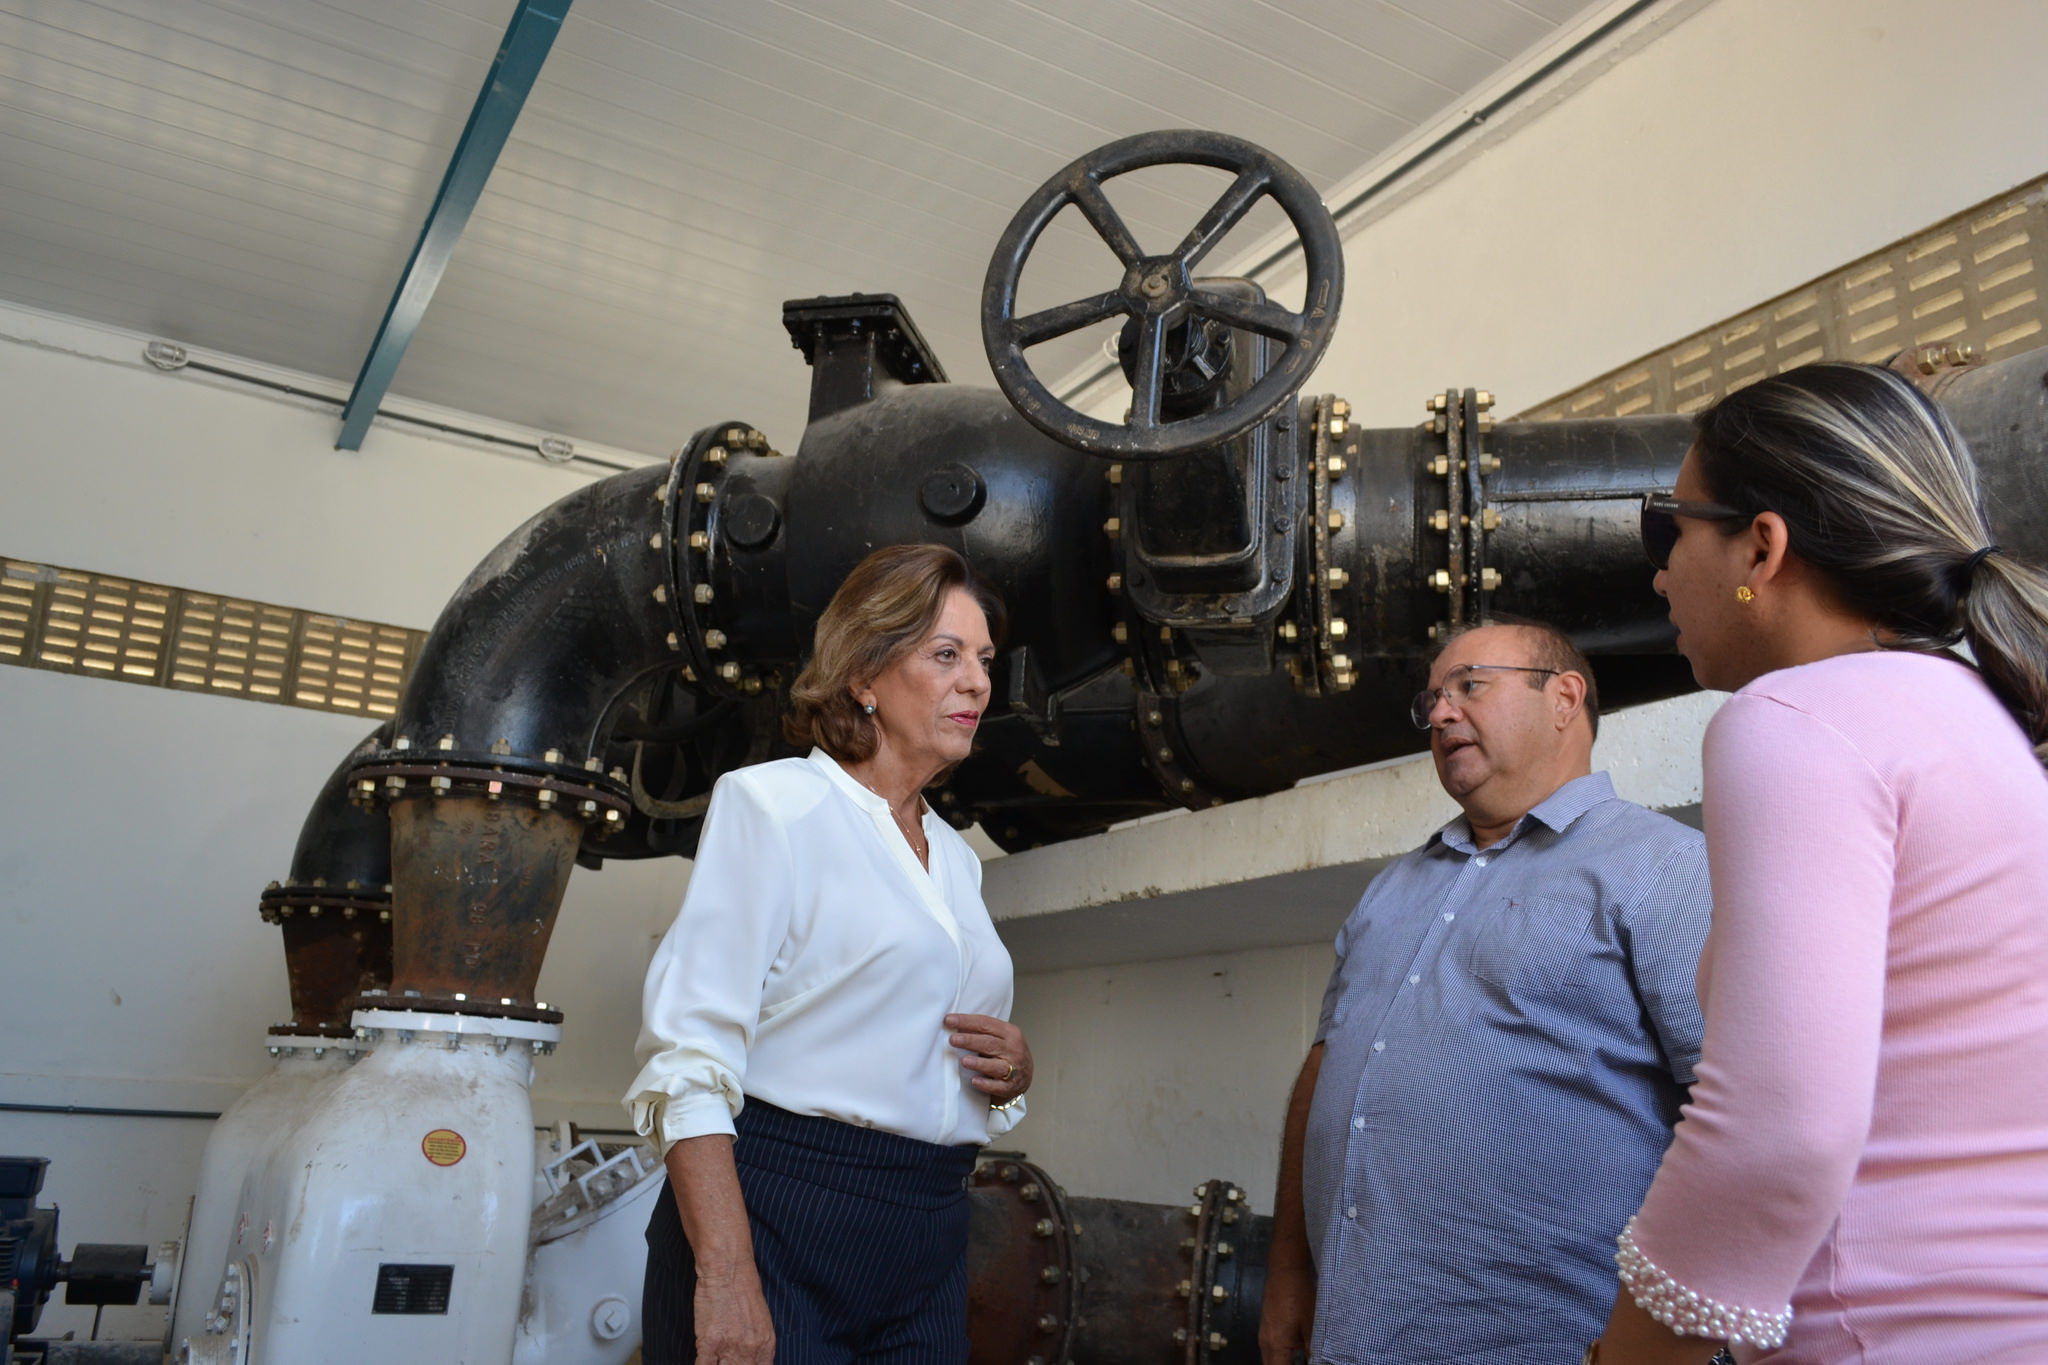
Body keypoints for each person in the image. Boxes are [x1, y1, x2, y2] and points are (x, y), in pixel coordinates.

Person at [1593, 363, 2048, 1364]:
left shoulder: (1796, 720)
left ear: (1761, 544)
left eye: (1671, 531)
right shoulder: (1972, 716)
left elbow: (1773, 1135)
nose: (1660, 574)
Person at [1259, 619, 1713, 1365]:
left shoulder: (1664, 868)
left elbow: (1742, 1116)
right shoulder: (1390, 889)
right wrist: (1287, 1273)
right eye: (1432, 699)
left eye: (1469, 686)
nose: (1439, 714)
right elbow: (1323, 1072)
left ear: (1564, 697)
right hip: (1348, 1340)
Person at [624, 543, 1033, 1365]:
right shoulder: (775, 807)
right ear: (864, 675)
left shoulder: (955, 855)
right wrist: (728, 1277)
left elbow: (907, 1033)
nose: (978, 682)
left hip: (928, 1225)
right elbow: (685, 1059)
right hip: (780, 1214)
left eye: (984, 659)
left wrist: (1012, 1073)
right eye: (945, 654)